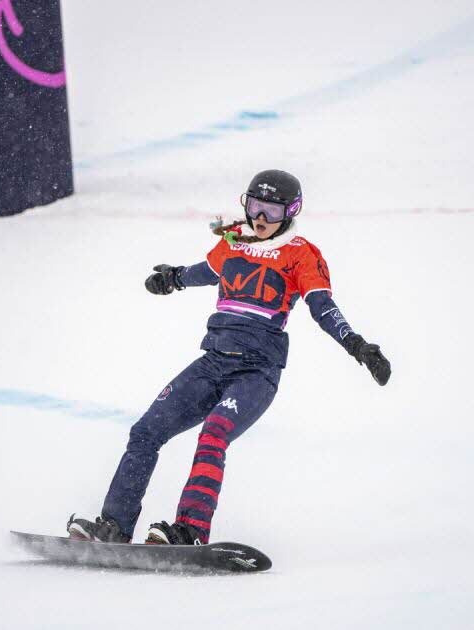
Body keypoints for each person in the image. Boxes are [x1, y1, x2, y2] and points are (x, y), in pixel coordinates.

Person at [68, 169, 390, 545]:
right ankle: (114, 525)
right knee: (145, 432)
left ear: (291, 211)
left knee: (214, 434)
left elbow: (322, 307)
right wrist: (174, 278)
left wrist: (357, 345)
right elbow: (209, 270)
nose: (261, 218)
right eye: (254, 207)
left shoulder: (301, 254)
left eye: (272, 211)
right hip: (212, 362)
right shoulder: (235, 240)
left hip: (255, 372)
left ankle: (190, 530)